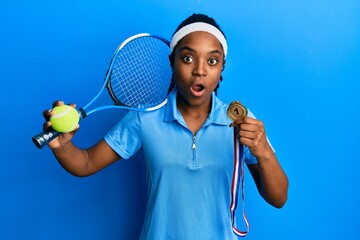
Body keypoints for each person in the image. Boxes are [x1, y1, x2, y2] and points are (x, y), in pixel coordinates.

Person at [42, 13, 288, 240]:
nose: (200, 70)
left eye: (212, 61)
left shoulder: (239, 122)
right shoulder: (145, 117)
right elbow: (86, 162)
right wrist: (62, 147)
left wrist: (264, 152)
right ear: (172, 61)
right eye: (188, 58)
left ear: (222, 67)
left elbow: (278, 198)